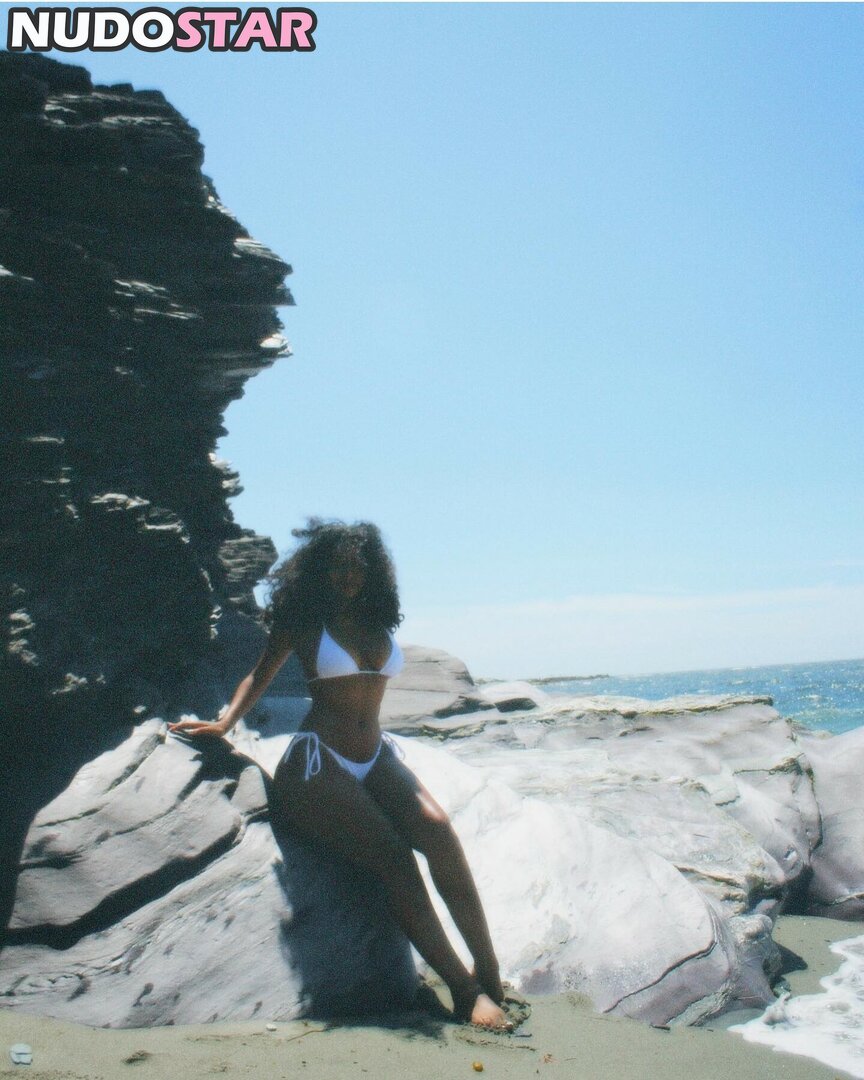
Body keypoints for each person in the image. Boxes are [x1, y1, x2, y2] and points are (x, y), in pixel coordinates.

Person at [169, 519, 511, 1030]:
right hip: (317, 760)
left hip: (376, 755)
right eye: (336, 567)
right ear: (319, 572)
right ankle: (464, 992)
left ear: (372, 572)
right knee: (394, 857)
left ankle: (490, 972)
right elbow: (258, 675)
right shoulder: (304, 624)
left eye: (357, 567)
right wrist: (224, 723)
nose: (347, 576)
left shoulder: (377, 622)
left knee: (440, 832)